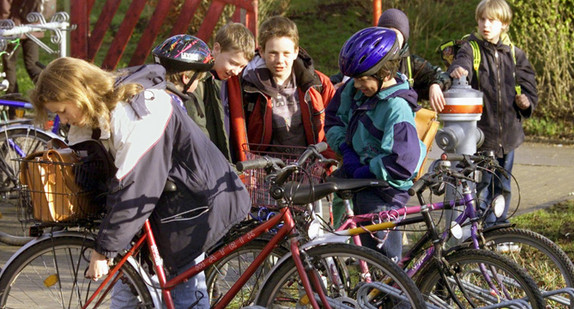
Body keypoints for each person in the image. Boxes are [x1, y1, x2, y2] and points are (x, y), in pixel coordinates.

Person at [29, 57, 251, 308]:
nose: (64, 120)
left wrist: (104, 249)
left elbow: (133, 188)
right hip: (156, 205)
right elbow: (98, 174)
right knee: (128, 292)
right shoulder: (93, 115)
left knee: (183, 295)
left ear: (78, 94)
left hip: (191, 204)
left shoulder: (135, 112)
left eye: (62, 111)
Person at [325, 27, 426, 262]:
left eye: (362, 79)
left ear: (384, 72)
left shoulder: (396, 108)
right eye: (354, 79)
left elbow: (401, 162)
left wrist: (366, 170)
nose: (356, 85)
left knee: (384, 263)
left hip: (384, 191)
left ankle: (397, 298)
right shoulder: (354, 90)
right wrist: (346, 150)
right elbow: (333, 120)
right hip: (359, 178)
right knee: (359, 253)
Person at [447, 0, 537, 227]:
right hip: (482, 134)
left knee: (503, 185)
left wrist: (526, 102)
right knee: (483, 185)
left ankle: (499, 224)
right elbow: (461, 62)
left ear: (504, 25)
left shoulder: (514, 54)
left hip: (508, 134)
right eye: (482, 19)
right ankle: (481, 230)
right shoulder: (471, 48)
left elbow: (529, 86)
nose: (486, 25)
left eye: (492, 20)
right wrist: (458, 70)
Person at [226, 15, 335, 161]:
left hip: (310, 165)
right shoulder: (246, 85)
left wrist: (329, 162)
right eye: (273, 53)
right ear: (262, 51)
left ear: (296, 52)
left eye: (286, 53)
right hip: (264, 169)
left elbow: (334, 123)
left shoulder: (318, 83)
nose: (280, 60)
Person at [188, 23, 255, 163]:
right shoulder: (197, 81)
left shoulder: (234, 82)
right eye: (233, 63)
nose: (236, 71)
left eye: (242, 66)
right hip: (208, 159)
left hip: (227, 157)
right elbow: (197, 125)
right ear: (216, 49)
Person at [0, 0, 45, 97]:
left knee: (9, 65)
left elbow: (5, 9)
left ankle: (13, 103)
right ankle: (49, 94)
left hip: (11, 28)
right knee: (32, 64)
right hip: (31, 27)